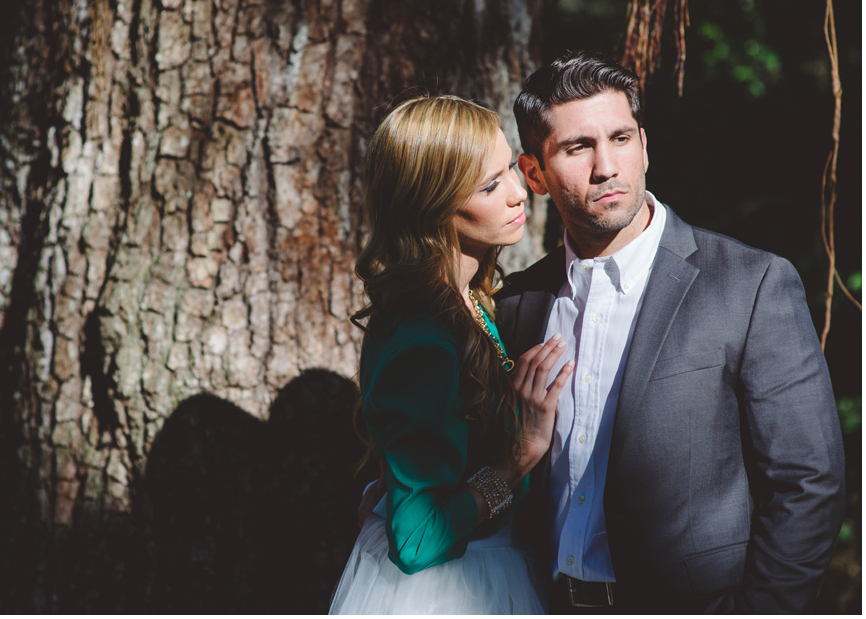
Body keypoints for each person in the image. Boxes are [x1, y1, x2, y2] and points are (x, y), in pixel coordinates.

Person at [495, 50, 846, 613]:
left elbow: (808, 483)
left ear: (645, 147)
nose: (607, 166)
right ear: (534, 172)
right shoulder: (517, 303)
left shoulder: (750, 285)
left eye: (621, 138)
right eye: (578, 147)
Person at [328, 95, 575, 614]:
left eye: (510, 166)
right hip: (451, 594)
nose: (518, 193)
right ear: (430, 203)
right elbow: (417, 541)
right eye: (489, 185)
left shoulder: (470, 303)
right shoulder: (423, 335)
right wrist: (519, 457)